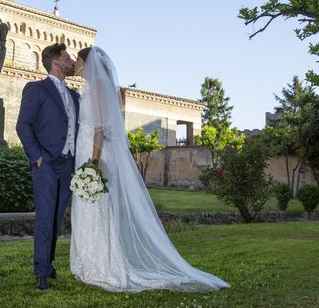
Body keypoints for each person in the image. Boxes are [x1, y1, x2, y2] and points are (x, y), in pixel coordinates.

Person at [70, 46, 230, 292]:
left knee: (98, 209)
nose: (75, 63)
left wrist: (93, 162)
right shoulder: (89, 88)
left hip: (93, 155)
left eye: (78, 60)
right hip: (84, 152)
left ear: (87, 62)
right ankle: (88, 264)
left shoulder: (100, 86)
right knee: (89, 208)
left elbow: (100, 129)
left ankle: (103, 266)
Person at [16, 43, 80, 291]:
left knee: (56, 219)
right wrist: (37, 157)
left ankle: (49, 263)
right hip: (47, 163)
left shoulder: (75, 95)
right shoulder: (36, 89)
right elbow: (23, 126)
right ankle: (41, 272)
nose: (72, 61)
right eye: (67, 58)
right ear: (56, 62)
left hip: (68, 165)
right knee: (44, 218)